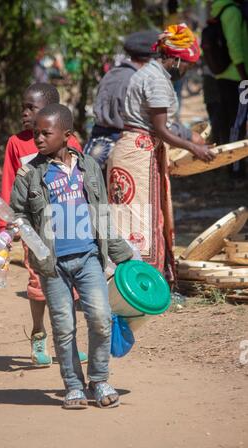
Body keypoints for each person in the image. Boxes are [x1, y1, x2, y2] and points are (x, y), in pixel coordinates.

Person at [10, 104, 133, 409]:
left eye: (45, 133)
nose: (37, 138)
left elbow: (102, 217)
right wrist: (21, 232)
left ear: (66, 136)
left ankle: (100, 379)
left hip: (89, 258)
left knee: (102, 319)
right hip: (52, 266)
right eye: (35, 132)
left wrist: (125, 256)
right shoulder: (29, 173)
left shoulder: (89, 167)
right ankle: (74, 385)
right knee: (64, 327)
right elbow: (18, 213)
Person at [107, 24, 215, 284]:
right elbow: (161, 129)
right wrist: (194, 147)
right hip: (139, 156)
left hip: (132, 151)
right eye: (187, 65)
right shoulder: (155, 79)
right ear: (176, 59)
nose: (187, 70)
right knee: (141, 222)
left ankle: (128, 284)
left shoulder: (150, 73)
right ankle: (143, 285)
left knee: (131, 220)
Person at [0, 83, 87, 366]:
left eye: (31, 108)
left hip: (69, 226)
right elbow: (9, 185)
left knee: (69, 283)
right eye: (23, 107)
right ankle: (38, 333)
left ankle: (68, 344)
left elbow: (82, 183)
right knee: (38, 281)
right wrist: (5, 228)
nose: (24, 113)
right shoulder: (16, 143)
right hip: (33, 227)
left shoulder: (70, 143)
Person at [84, 29, 201, 179]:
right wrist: (189, 136)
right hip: (124, 153)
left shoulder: (112, 74)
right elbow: (156, 124)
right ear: (153, 58)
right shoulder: (142, 81)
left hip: (96, 150)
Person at [211, 0, 248, 180]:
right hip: (237, 76)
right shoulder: (232, 11)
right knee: (237, 124)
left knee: (230, 122)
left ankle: (230, 165)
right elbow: (234, 44)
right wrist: (244, 75)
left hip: (225, 75)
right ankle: (236, 169)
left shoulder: (219, 9)